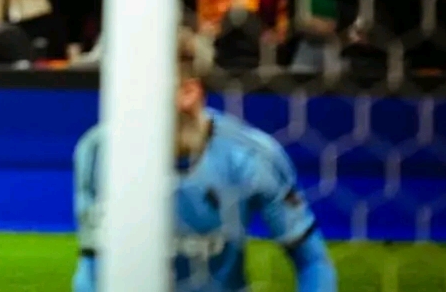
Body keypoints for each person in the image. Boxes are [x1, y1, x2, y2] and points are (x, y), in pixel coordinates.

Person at [72, 27, 337, 292]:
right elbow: (92, 266)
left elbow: (313, 263)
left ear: (188, 92)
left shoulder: (250, 156)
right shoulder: (99, 152)